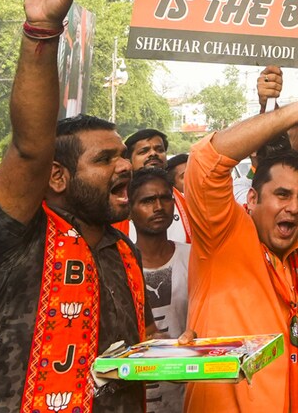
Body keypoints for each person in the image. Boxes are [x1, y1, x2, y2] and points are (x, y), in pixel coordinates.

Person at [0, 0, 152, 413]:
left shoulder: (121, 252)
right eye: (104, 159)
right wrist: (43, 32)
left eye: (121, 154)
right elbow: (29, 149)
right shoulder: (12, 240)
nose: (125, 164)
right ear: (58, 177)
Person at [184, 95, 298, 412]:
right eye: (282, 194)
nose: (294, 207)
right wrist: (294, 113)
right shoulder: (221, 239)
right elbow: (205, 161)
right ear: (251, 198)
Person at [129, 167, 191, 413]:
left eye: (165, 198)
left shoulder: (193, 258)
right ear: (130, 209)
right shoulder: (119, 264)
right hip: (137, 396)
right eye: (147, 201)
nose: (158, 207)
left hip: (188, 394)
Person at [122, 129, 191, 243]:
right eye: (144, 151)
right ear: (128, 161)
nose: (153, 154)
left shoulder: (186, 203)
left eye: (159, 150)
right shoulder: (115, 204)